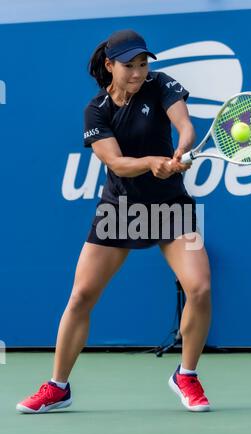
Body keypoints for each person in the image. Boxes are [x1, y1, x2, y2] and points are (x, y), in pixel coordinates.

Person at [16, 29, 211, 414]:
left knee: (200, 288)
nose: (138, 73)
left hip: (170, 207)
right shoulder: (97, 111)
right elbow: (116, 162)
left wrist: (184, 144)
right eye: (129, 66)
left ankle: (185, 375)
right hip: (121, 210)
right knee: (81, 296)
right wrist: (152, 163)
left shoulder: (160, 85)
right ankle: (58, 386)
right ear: (110, 66)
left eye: (143, 64)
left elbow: (184, 123)